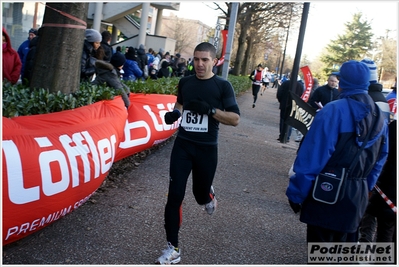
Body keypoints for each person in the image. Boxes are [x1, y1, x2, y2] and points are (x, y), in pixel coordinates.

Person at [286, 60, 389, 243]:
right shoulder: (380, 116)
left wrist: (297, 193)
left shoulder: (333, 110)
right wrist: (365, 188)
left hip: (326, 191)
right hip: (357, 196)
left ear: (342, 82)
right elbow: (380, 160)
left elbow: (312, 157)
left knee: (321, 255)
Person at [156, 42, 240, 265]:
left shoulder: (223, 86)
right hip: (183, 146)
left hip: (206, 149)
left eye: (205, 60)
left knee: (199, 195)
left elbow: (235, 119)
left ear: (214, 61)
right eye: (196, 59)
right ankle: (173, 249)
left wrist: (211, 111)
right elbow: (180, 104)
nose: (200, 64)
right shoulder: (186, 82)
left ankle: (208, 195)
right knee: (174, 196)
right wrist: (174, 114)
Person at [276, 77, 304, 143]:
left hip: (284, 104)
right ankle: (287, 136)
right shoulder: (300, 86)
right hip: (294, 106)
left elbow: (279, 93)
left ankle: (282, 135)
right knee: (290, 121)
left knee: (283, 120)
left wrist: (281, 101)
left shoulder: (285, 83)